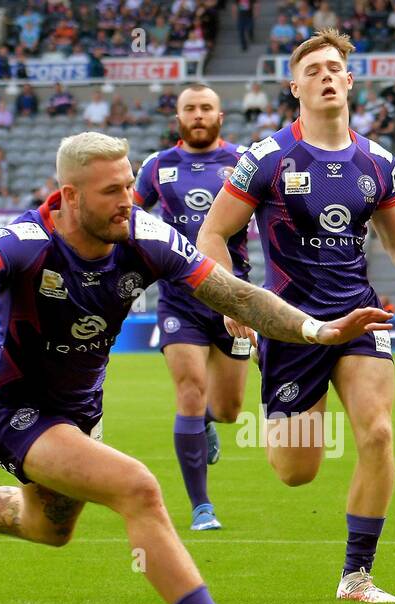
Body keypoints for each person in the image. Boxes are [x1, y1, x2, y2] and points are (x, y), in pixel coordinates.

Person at [0, 131, 389, 604]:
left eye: (129, 184)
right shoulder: (27, 241)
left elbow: (239, 297)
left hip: (79, 412)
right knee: (138, 488)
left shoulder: (145, 235)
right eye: (111, 191)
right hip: (10, 408)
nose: (128, 198)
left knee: (48, 527)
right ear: (71, 196)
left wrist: (315, 329)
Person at [198, 29, 395, 604]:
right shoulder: (267, 158)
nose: (326, 77)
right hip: (289, 325)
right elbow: (214, 232)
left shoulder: (378, 162)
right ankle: (263, 396)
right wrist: (232, 300)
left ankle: (356, 575)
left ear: (351, 81)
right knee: (295, 471)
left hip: (359, 317)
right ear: (294, 87)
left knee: (379, 433)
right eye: (313, 71)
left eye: (334, 68)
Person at [134, 85, 254, 531]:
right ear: (178, 117)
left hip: (234, 298)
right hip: (179, 298)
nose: (198, 115)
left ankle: (207, 419)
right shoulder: (158, 166)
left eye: (206, 108)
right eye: (190, 109)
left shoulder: (245, 162)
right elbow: (127, 219)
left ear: (220, 115)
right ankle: (201, 507)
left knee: (227, 409)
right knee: (188, 391)